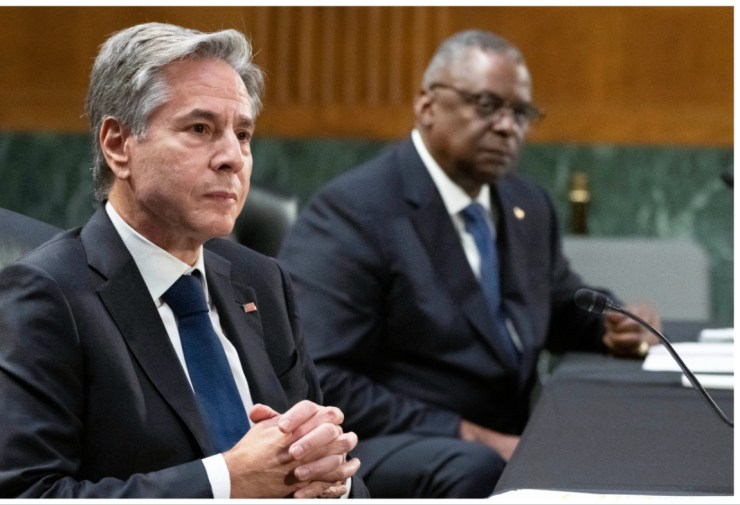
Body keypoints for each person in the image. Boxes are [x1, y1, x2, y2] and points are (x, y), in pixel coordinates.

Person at [0, 22, 366, 499]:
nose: (233, 157)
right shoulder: (45, 297)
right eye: (201, 129)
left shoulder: (261, 281)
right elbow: (16, 495)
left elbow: (326, 466)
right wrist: (226, 481)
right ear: (117, 145)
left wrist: (330, 481)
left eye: (243, 134)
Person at [277, 29, 660, 498]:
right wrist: (468, 434)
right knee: (476, 466)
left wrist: (612, 324)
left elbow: (556, 301)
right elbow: (323, 378)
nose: (507, 126)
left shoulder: (526, 202)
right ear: (426, 105)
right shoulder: (353, 213)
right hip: (385, 444)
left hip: (508, 438)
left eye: (521, 112)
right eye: (485, 105)